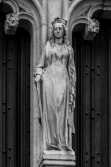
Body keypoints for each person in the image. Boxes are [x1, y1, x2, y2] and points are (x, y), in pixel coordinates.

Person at [34, 17, 75, 151]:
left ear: (64, 31)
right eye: (55, 29)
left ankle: (62, 142)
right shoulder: (48, 47)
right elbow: (40, 65)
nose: (57, 31)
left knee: (62, 112)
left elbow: (72, 70)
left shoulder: (69, 49)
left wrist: (72, 91)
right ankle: (52, 142)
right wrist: (39, 74)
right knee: (51, 110)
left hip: (64, 81)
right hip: (49, 82)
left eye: (60, 29)